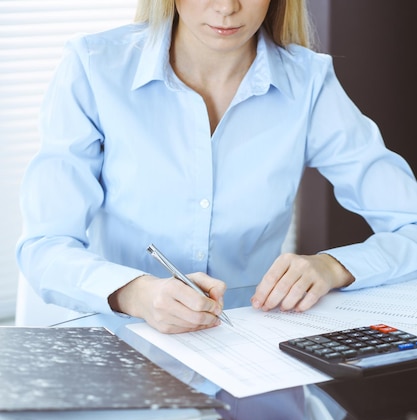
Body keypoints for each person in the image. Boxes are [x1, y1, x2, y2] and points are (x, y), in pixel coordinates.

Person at [16, 0, 417, 334]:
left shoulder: (308, 82)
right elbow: (46, 246)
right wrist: (137, 294)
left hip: (251, 346)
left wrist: (333, 267)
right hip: (122, 343)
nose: (227, 7)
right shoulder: (94, 67)